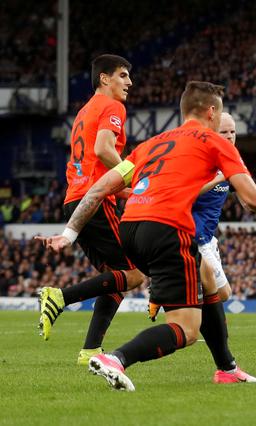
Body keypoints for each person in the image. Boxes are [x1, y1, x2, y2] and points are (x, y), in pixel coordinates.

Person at [37, 81, 256, 391]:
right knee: (186, 330)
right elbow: (252, 200)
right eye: (219, 116)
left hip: (131, 229)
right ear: (211, 112)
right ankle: (117, 358)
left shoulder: (150, 144)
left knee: (206, 275)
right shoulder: (215, 142)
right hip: (167, 230)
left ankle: (227, 368)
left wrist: (68, 235)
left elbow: (98, 188)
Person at [38, 54, 146, 367]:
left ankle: (90, 349)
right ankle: (59, 297)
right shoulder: (113, 106)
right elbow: (103, 150)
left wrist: (123, 187)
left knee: (115, 278)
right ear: (104, 78)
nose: (129, 82)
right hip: (96, 201)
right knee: (134, 274)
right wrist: (136, 175)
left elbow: (87, 161)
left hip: (77, 199)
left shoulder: (84, 112)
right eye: (123, 75)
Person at [191, 112, 256, 383]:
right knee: (206, 300)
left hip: (209, 238)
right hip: (193, 238)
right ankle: (224, 363)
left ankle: (166, 294)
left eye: (232, 132)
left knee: (224, 294)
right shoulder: (201, 161)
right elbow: (187, 193)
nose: (230, 137)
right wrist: (219, 178)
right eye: (224, 133)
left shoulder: (231, 162)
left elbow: (245, 195)